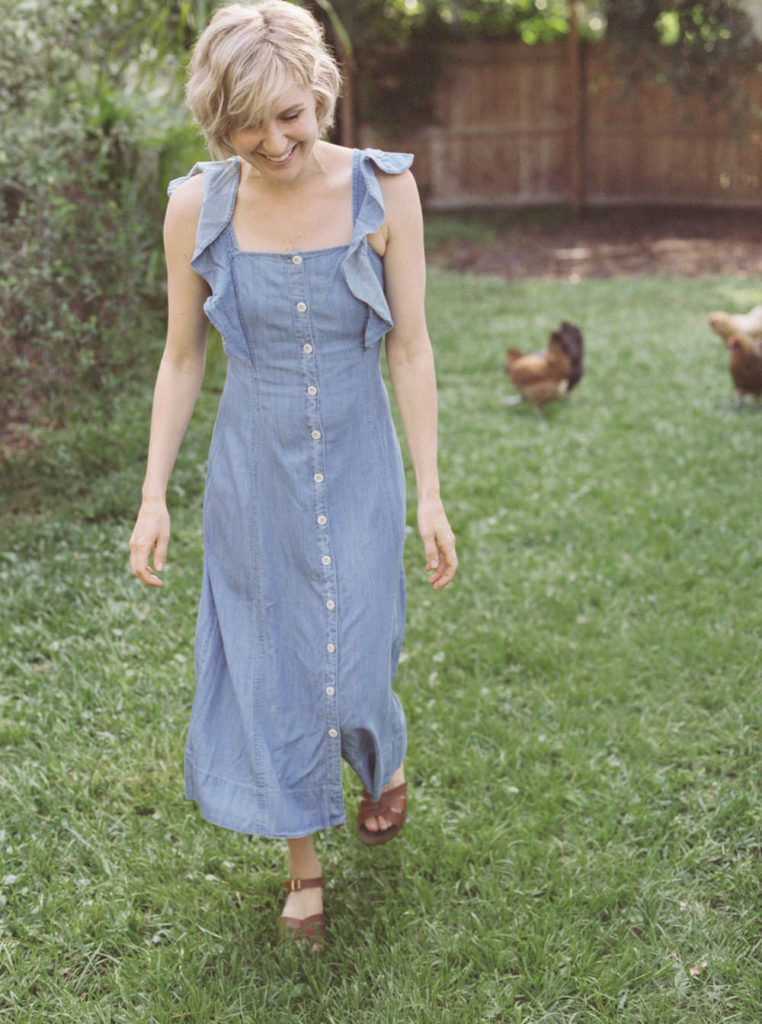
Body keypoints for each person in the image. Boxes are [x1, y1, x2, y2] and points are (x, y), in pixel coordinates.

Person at [129, 0, 457, 949]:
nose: (273, 142)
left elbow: (413, 349)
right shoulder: (198, 207)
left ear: (322, 95)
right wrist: (153, 495)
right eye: (246, 124)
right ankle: (302, 870)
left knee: (353, 662)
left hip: (359, 459)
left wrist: (431, 492)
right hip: (253, 474)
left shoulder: (383, 192)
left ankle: (379, 752)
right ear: (215, 120)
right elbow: (182, 358)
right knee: (273, 668)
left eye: (291, 116)